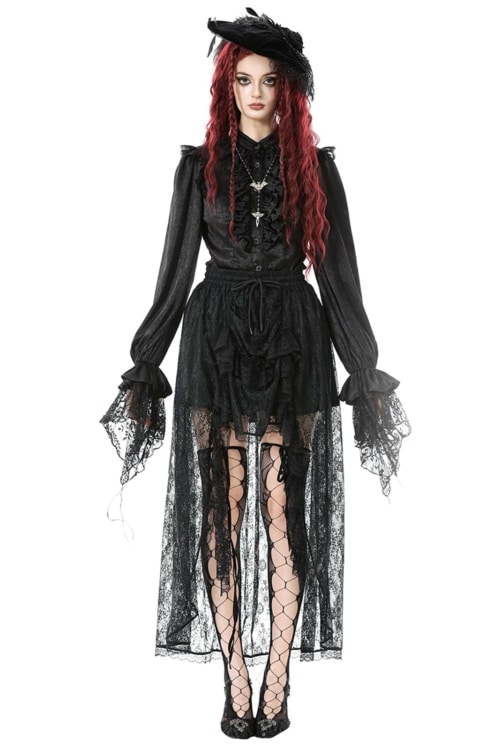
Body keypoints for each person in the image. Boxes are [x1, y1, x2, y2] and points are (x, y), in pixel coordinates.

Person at [100, 8, 411, 740]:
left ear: (289, 89)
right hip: (215, 340)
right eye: (243, 80)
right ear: (226, 86)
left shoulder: (316, 168)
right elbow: (174, 274)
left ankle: (279, 679)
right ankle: (235, 676)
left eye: (269, 80)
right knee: (221, 511)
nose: (257, 93)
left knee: (282, 513)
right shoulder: (200, 167)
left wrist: (364, 369)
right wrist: (145, 364)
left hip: (294, 341)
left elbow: (340, 278)